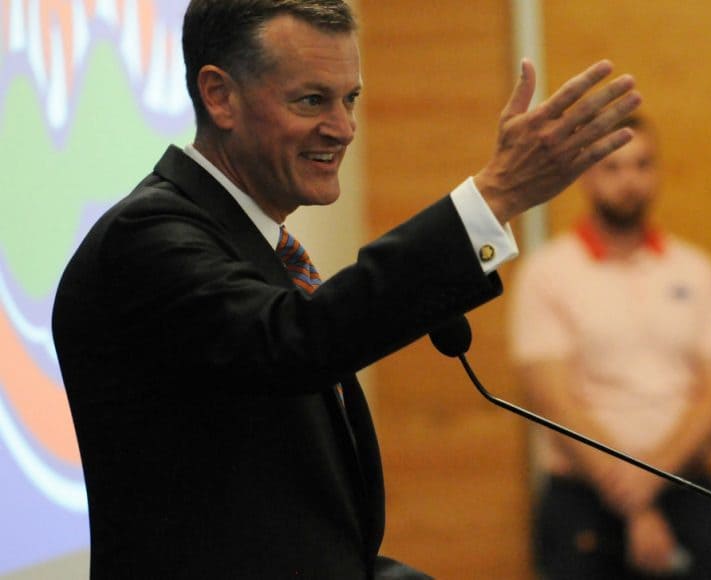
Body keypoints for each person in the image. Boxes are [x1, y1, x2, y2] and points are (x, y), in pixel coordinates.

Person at [50, 0, 642, 577]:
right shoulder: (148, 235)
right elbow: (294, 342)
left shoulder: (253, 243)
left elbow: (278, 512)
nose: (343, 128)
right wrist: (494, 200)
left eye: (350, 98)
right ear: (219, 96)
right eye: (312, 100)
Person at [509, 116, 711, 580]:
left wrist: (652, 478)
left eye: (641, 165)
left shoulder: (695, 269)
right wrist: (633, 500)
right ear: (586, 176)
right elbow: (553, 402)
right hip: (583, 498)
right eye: (612, 167)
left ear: (657, 173)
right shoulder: (548, 272)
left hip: (687, 490)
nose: (628, 180)